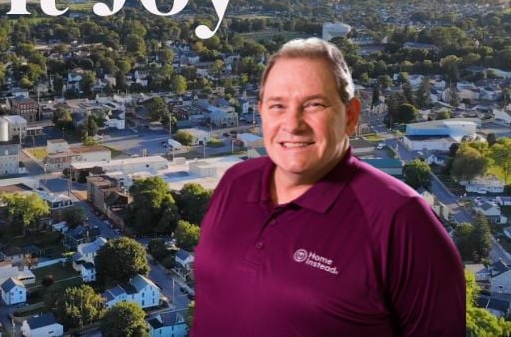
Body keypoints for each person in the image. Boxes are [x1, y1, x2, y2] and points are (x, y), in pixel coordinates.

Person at [191, 38, 465, 336]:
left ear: (350, 116)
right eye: (277, 106)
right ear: (261, 112)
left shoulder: (402, 221)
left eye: (314, 105)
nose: (292, 124)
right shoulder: (235, 181)